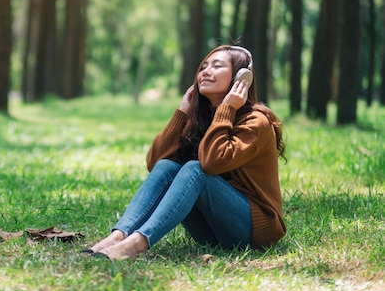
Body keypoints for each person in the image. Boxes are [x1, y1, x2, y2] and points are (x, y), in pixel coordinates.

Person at [83, 45, 287, 260]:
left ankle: (138, 242)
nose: (205, 72)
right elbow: (155, 164)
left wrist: (227, 109)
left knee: (195, 169)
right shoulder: (203, 118)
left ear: (241, 77)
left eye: (217, 66)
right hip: (212, 233)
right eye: (203, 67)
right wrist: (182, 113)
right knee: (167, 166)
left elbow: (211, 164)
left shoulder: (256, 121)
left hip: (253, 232)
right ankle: (119, 235)